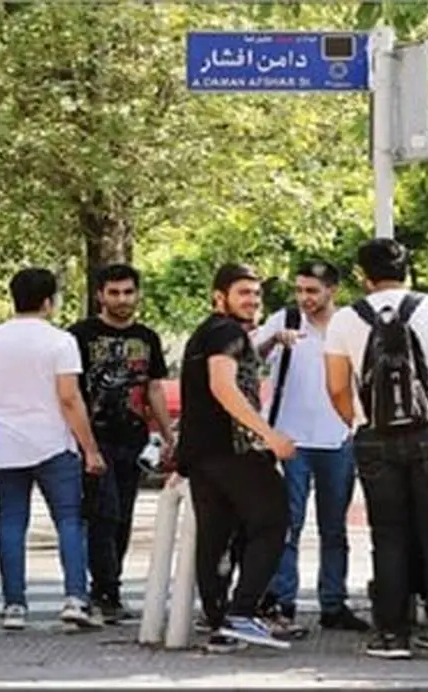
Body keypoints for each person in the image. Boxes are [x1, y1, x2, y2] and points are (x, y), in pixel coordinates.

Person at [324, 238, 428, 661]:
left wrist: (358, 420)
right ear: (408, 271)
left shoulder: (345, 319)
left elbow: (336, 386)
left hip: (374, 436)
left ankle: (392, 635)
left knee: (388, 536)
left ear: (363, 276)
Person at [0, 267, 107, 632]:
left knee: (11, 521)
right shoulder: (60, 342)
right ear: (48, 301)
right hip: (53, 442)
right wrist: (90, 448)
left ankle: (14, 605)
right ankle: (75, 598)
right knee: (68, 520)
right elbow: (69, 398)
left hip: (4, 445)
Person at [176, 263, 295, 653]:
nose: (253, 301)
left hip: (202, 453)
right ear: (219, 297)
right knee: (273, 520)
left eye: (257, 294)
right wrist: (269, 435)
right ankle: (241, 613)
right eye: (243, 293)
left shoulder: (206, 333)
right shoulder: (227, 333)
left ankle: (221, 625)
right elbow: (223, 386)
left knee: (217, 539)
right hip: (234, 450)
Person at [253, 261, 369, 638]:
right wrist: (274, 340)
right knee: (288, 524)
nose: (305, 298)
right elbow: (248, 358)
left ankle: (333, 603)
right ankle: (282, 600)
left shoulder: (350, 323)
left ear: (332, 290)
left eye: (313, 291)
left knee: (334, 528)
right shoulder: (284, 320)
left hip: (338, 439)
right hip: (291, 440)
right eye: (300, 290)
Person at [69, 264, 174, 624]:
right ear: (100, 295)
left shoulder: (147, 337)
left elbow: (154, 388)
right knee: (104, 513)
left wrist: (168, 434)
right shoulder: (80, 336)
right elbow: (69, 391)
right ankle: (104, 591)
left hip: (133, 438)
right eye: (113, 293)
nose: (121, 299)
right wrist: (82, 441)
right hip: (93, 438)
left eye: (128, 292)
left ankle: (109, 587)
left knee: (123, 516)